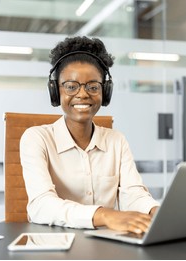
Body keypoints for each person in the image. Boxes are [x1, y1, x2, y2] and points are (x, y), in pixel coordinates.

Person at [20, 36, 159, 234]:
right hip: (56, 243)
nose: (83, 94)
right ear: (56, 91)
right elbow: (41, 205)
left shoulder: (116, 140)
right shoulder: (36, 138)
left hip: (107, 242)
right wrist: (105, 215)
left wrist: (155, 211)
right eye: (71, 86)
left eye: (93, 87)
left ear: (105, 92)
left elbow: (133, 194)